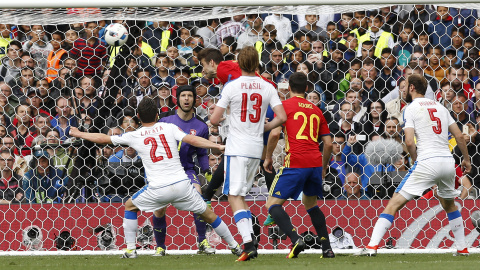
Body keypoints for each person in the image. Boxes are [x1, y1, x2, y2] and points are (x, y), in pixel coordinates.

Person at [69, 97, 242, 258]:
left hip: (158, 188)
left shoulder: (135, 135)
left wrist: (79, 134)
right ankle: (235, 246)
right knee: (208, 214)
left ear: (138, 116)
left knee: (130, 206)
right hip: (182, 185)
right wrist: (218, 145)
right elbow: (192, 140)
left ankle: (130, 249)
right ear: (158, 115)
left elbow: (103, 138)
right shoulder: (170, 127)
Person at [356, 74, 472, 256]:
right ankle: (462, 247)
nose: (402, 89)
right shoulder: (441, 107)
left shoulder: (410, 108)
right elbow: (458, 136)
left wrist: (415, 159)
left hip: (426, 161)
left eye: (405, 86)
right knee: (449, 205)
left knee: (393, 203)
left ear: (411, 88)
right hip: (447, 162)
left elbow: (409, 141)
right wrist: (466, 159)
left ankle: (371, 246)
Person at [210, 46, 287, 261]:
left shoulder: (231, 86)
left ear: (239, 63)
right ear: (257, 64)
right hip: (256, 149)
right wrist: (260, 128)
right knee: (240, 195)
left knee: (233, 195)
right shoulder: (267, 86)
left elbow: (214, 120)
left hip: (237, 147)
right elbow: (281, 117)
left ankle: (248, 243)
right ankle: (250, 239)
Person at [263, 71, 334, 259]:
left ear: (288, 89)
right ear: (307, 88)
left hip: (295, 161)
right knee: (311, 204)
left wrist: (268, 157)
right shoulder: (317, 110)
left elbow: (274, 134)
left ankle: (295, 239)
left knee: (272, 204)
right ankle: (327, 248)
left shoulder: (284, 107)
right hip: (314, 163)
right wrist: (324, 167)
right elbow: (328, 144)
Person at [151, 85, 214, 256]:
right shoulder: (165, 122)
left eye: (190, 96)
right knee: (160, 207)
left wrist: (206, 169)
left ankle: (202, 241)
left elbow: (201, 153)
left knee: (198, 197)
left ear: (195, 99)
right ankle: (160, 247)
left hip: (186, 170)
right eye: (183, 96)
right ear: (177, 99)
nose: (186, 99)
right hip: (164, 171)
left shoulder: (201, 126)